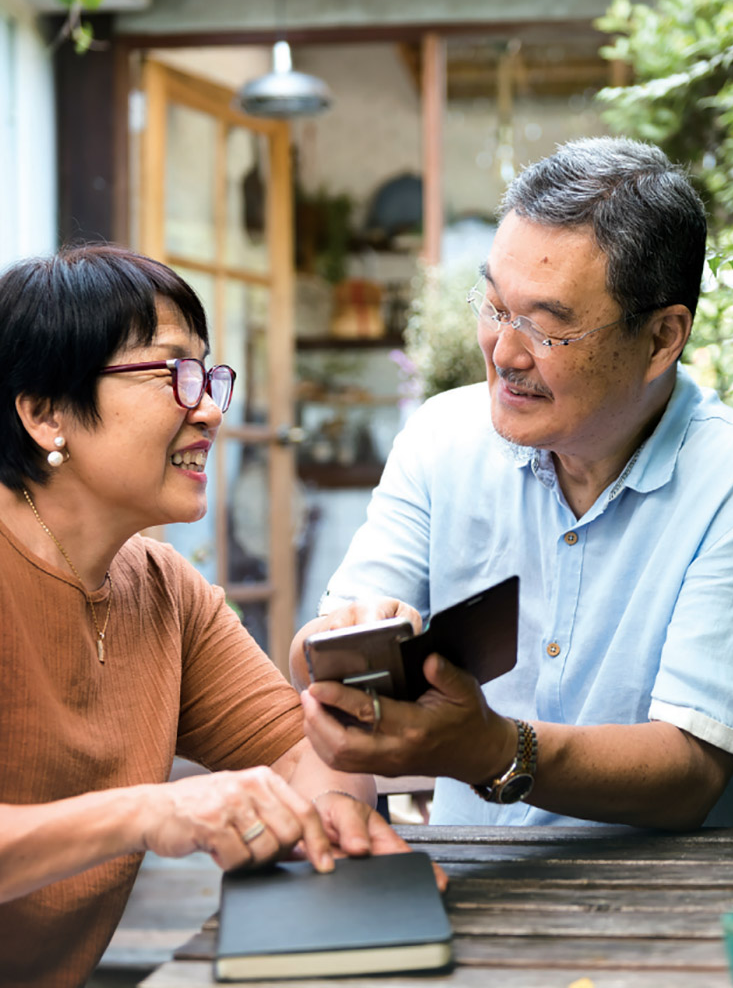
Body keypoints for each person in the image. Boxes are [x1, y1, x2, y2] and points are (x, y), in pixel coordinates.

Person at [291, 136, 733, 831]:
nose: (504, 352)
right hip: (476, 881)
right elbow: (324, 656)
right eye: (496, 306)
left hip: (671, 899)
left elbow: (690, 770)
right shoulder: (441, 440)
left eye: (545, 327)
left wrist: (497, 749)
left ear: (661, 338)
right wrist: (342, 657)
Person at [0, 245, 425, 988]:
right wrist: (147, 811)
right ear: (44, 412)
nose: (210, 408)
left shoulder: (164, 588)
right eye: (172, 375)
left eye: (207, 374)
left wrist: (347, 694)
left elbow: (304, 756)